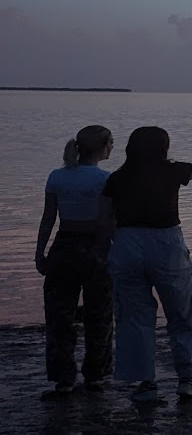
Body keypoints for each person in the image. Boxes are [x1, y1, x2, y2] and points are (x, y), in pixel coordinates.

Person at [102, 127, 192, 402]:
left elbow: (103, 219)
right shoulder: (172, 171)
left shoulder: (117, 178)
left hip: (126, 243)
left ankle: (145, 382)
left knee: (134, 316)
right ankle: (187, 379)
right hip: (166, 244)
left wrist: (114, 247)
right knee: (183, 311)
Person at [36, 125, 117, 399]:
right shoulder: (107, 179)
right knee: (100, 315)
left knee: (59, 316)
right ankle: (95, 376)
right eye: (111, 144)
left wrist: (40, 252)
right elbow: (111, 222)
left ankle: (64, 378)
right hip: (96, 248)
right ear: (104, 147)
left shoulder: (57, 176)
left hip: (64, 247)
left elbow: (49, 219)